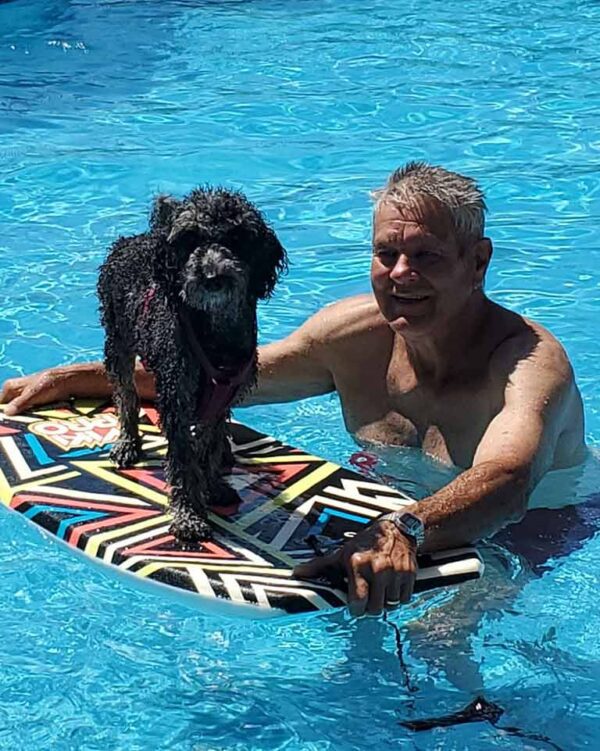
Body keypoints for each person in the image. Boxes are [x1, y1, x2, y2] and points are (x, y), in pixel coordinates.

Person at [0, 162, 586, 616]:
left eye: (425, 256)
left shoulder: (529, 364)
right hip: (392, 503)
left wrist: (404, 528)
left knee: (438, 640)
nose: (401, 274)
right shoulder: (352, 337)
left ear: (478, 262)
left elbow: (507, 481)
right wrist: (84, 377)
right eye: (387, 254)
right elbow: (229, 381)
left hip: (530, 528)